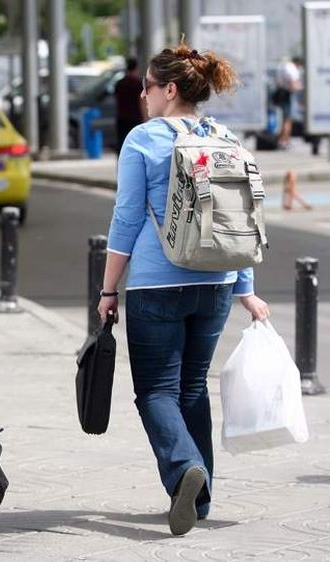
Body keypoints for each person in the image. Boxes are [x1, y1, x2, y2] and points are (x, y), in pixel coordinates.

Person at [97, 43, 270, 537]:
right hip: (216, 282)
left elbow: (127, 217)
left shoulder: (143, 140)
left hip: (158, 282)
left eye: (147, 87)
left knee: (155, 391)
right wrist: (245, 287)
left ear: (169, 89)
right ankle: (201, 494)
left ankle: (183, 470)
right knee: (192, 390)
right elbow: (241, 217)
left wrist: (109, 291)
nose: (144, 97)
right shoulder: (225, 137)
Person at [114, 56, 145, 151]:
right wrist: (146, 118)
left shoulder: (119, 83)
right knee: (136, 146)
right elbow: (142, 102)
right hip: (135, 118)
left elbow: (117, 100)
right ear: (136, 68)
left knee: (122, 145)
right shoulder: (138, 83)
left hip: (122, 118)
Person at [273, 56, 303, 149]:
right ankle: (285, 141)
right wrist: (302, 88)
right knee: (288, 120)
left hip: (280, 93)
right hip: (288, 94)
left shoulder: (282, 66)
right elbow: (293, 85)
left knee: (283, 119)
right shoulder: (291, 68)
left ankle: (281, 140)